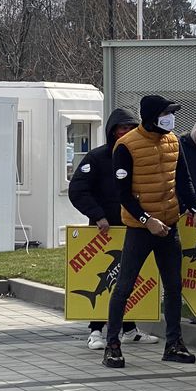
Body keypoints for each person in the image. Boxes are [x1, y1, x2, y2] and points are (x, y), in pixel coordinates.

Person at [104, 95, 196, 369]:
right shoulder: (126, 146)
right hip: (140, 228)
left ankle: (174, 343)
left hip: (169, 225)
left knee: (173, 286)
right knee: (125, 286)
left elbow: (183, 180)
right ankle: (112, 345)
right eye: (166, 114)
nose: (171, 119)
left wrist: (194, 209)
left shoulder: (173, 141)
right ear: (152, 117)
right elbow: (122, 194)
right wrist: (146, 219)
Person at [67, 106, 161, 350]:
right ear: (112, 131)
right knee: (102, 277)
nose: (126, 132)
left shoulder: (141, 155)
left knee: (129, 280)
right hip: (104, 232)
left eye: (131, 128)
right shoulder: (96, 158)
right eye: (122, 128)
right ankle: (96, 330)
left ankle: (129, 329)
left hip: (135, 228)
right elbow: (77, 190)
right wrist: (97, 215)